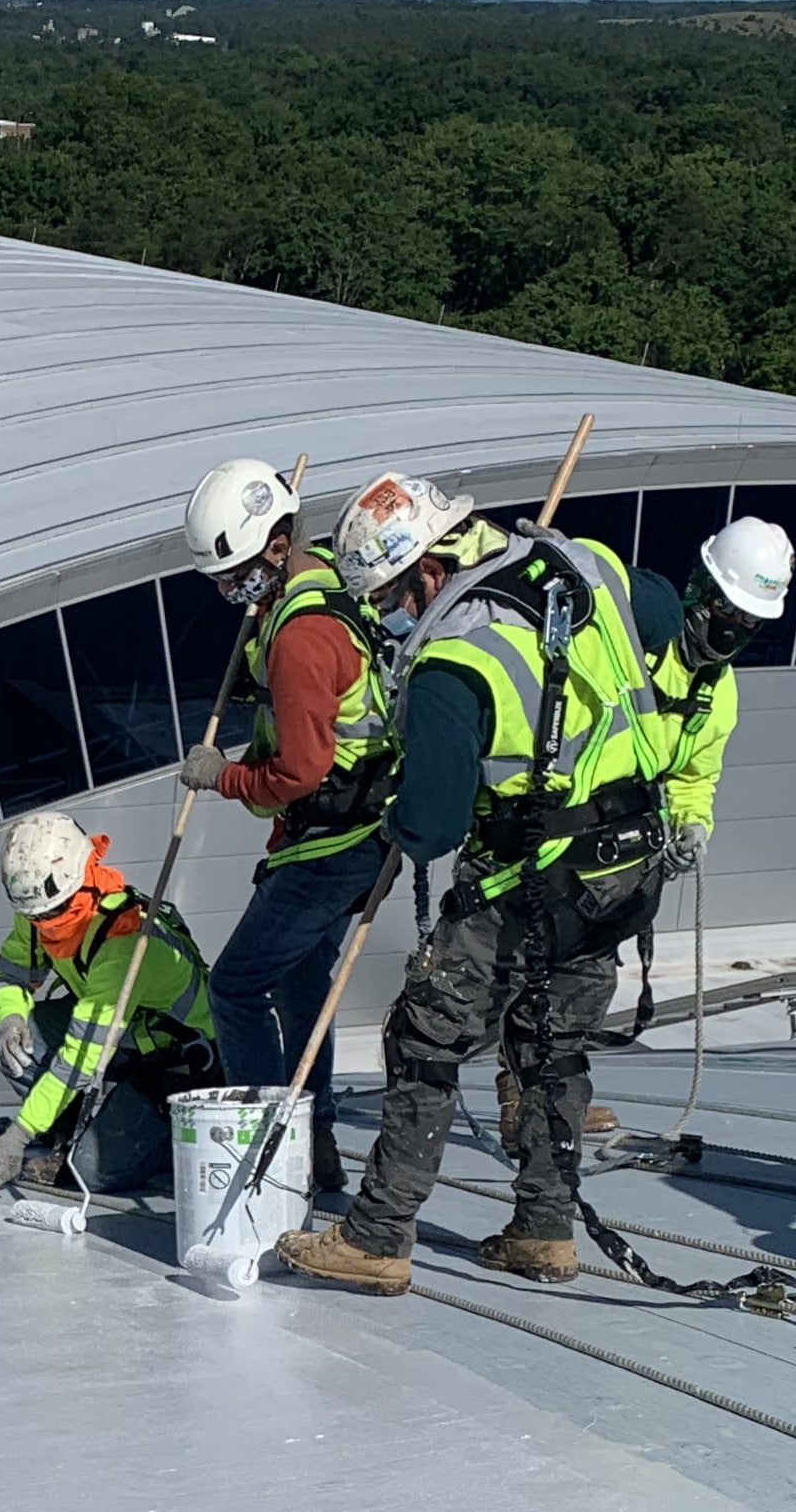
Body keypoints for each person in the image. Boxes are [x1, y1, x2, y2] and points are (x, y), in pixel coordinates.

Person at [273, 474, 676, 1294]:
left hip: (534, 876)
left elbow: (433, 826)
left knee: (426, 1036)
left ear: (425, 568)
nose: (389, 615)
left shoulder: (452, 657)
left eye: (386, 596)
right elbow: (667, 618)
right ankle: (544, 1230)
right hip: (626, 864)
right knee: (550, 1044)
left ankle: (379, 1234)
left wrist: (401, 815)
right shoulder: (578, 560)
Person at [495, 515, 786, 1148]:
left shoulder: (718, 691)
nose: (731, 635)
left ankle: (553, 1092)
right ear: (699, 593)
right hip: (555, 831)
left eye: (748, 627)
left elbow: (695, 775)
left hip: (617, 857)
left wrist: (694, 825)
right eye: (727, 616)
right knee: (523, 967)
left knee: (588, 979)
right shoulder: (630, 643)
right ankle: (523, 1093)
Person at [173, 458, 394, 1194]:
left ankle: (266, 1146)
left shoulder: (300, 638)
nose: (227, 591)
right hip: (359, 826)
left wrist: (225, 776)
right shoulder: (325, 575)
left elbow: (298, 772)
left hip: (334, 839)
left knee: (236, 986)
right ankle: (317, 1134)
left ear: (277, 545)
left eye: (234, 573)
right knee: (301, 980)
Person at [0, 810, 223, 1197]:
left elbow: (79, 1058)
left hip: (174, 1062)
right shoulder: (41, 904)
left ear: (77, 881)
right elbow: (10, 972)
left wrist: (19, 1135)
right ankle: (75, 1124)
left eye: (52, 914)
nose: (45, 924)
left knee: (90, 1170)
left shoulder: (124, 941)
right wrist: (9, 1016)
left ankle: (166, 1141)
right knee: (4, 1040)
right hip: (120, 1044)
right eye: (35, 917)